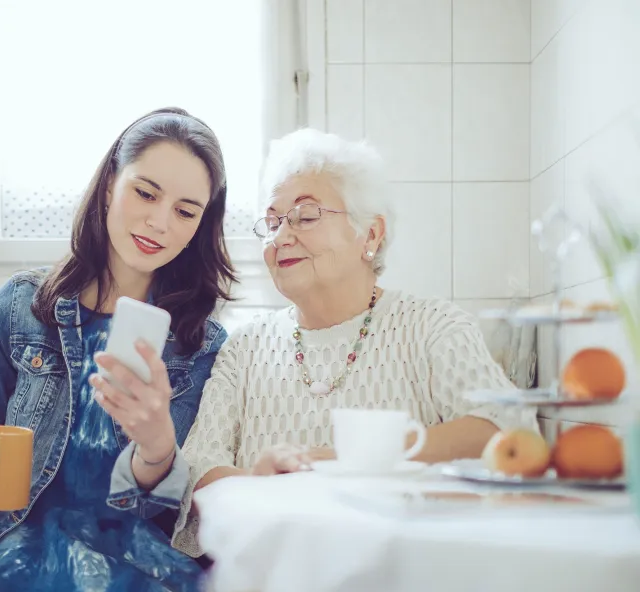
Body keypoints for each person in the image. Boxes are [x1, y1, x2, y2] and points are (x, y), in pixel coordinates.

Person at [169, 128, 539, 558]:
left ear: (371, 234)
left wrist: (351, 461)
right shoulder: (245, 348)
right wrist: (260, 485)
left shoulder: (432, 325)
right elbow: (198, 470)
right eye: (272, 223)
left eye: (306, 216)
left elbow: (508, 429)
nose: (280, 238)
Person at [0, 107, 236, 592]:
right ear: (110, 183)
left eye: (185, 210)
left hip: (138, 568)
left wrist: (156, 448)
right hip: (15, 560)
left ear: (200, 223)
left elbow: (169, 515)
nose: (159, 221)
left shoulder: (202, 345)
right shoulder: (12, 312)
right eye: (146, 192)